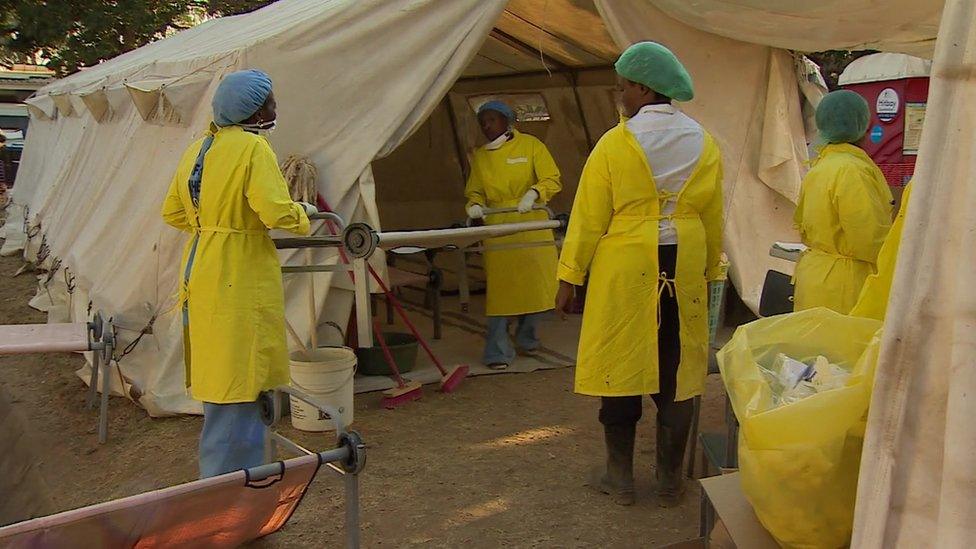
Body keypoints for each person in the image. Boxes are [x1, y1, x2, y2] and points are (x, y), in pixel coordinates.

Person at [555, 42, 723, 507]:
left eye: (624, 86)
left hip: (626, 265)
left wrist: (570, 275)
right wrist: (710, 271)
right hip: (683, 264)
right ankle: (670, 480)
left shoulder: (616, 142)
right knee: (678, 366)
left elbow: (589, 215)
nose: (619, 94)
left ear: (644, 88)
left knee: (620, 364)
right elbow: (713, 216)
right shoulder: (703, 141)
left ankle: (619, 476)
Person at [161, 69, 315, 478]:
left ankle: (223, 478)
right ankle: (235, 489)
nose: (275, 108)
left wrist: (212, 222)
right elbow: (276, 210)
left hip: (201, 266)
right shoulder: (252, 148)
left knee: (219, 372)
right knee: (242, 378)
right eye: (270, 102)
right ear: (252, 109)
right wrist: (304, 215)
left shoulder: (198, 148)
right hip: (239, 268)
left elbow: (173, 211)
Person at [464, 100, 561, 369]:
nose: (486, 126)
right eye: (483, 122)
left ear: (507, 121)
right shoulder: (481, 156)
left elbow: (552, 178)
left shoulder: (531, 146)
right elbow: (475, 189)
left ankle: (527, 337)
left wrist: (534, 193)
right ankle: (497, 351)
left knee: (535, 286)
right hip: (498, 225)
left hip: (530, 221)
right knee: (501, 292)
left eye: (492, 120)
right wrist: (474, 204)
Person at [793, 90, 893, 314]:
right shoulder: (853, 171)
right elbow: (870, 240)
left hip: (815, 278)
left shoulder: (820, 167)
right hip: (845, 286)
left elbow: (802, 225)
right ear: (863, 125)